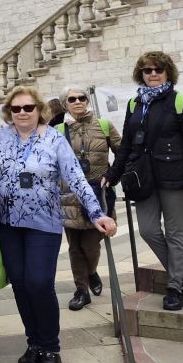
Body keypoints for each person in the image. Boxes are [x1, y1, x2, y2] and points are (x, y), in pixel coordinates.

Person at [0, 87, 116, 363]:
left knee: (38, 282)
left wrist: (97, 213)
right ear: (9, 111)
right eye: (17, 108)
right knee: (20, 284)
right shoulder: (0, 137)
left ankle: (50, 348)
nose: (22, 112)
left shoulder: (54, 138)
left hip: (42, 224)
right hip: (7, 223)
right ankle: (33, 342)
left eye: (28, 107)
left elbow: (75, 177)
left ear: (39, 109)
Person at [106, 52, 183, 311]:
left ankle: (175, 287)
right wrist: (113, 175)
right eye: (147, 70)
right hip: (144, 179)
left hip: (175, 178)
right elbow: (127, 145)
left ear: (167, 72)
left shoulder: (182, 102)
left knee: (176, 232)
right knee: (148, 230)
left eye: (158, 69)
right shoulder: (134, 105)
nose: (153, 74)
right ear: (141, 74)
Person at [57, 86, 121, 311]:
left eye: (81, 98)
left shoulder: (104, 125)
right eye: (71, 99)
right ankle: (81, 290)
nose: (77, 102)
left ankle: (92, 271)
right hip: (68, 196)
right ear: (65, 104)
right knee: (75, 246)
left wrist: (112, 176)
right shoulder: (57, 130)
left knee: (91, 245)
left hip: (97, 193)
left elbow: (122, 153)